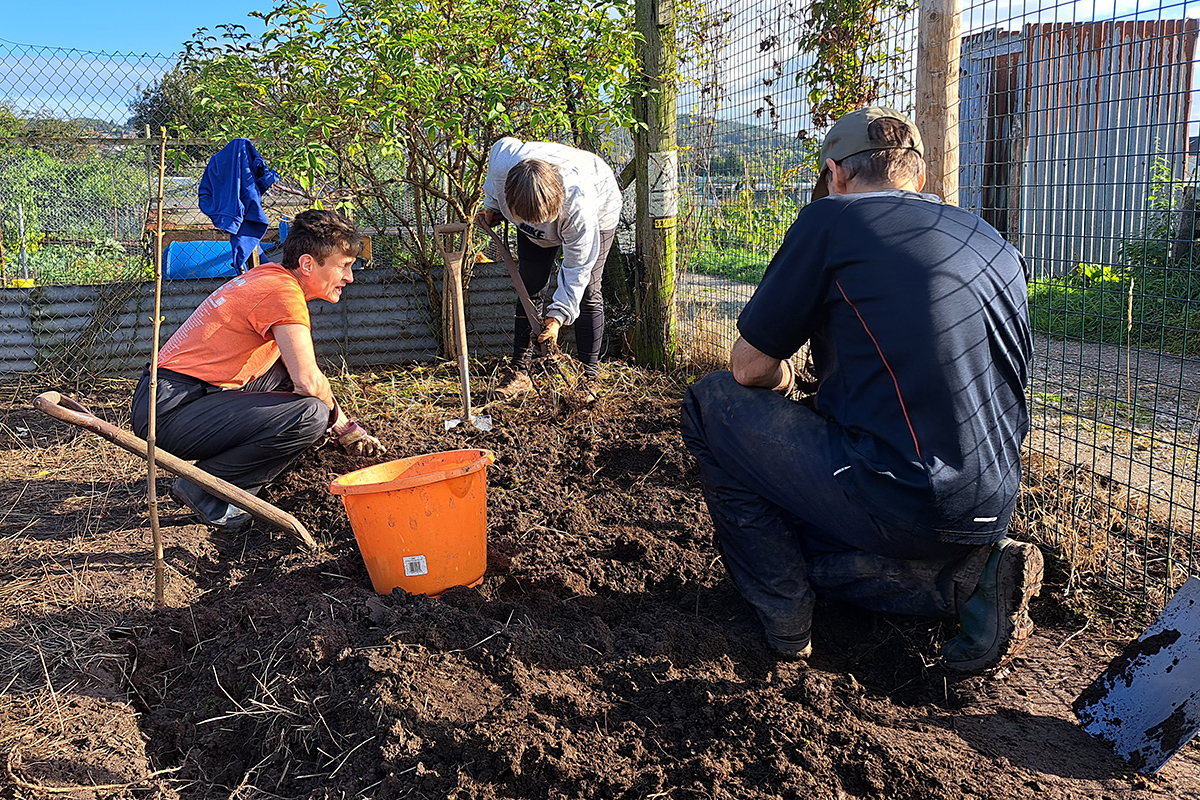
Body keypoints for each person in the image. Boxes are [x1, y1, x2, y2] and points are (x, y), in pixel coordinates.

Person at [679, 106, 1041, 673]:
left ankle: (784, 621)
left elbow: (748, 369)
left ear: (836, 175)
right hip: (991, 499)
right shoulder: (993, 241)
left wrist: (787, 377)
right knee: (819, 498)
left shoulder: (832, 220)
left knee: (712, 405)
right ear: (920, 177)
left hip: (899, 498)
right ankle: (969, 578)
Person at [132, 209, 385, 532]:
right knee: (310, 414)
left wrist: (345, 425)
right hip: (169, 410)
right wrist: (339, 425)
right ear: (308, 264)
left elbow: (302, 372)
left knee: (287, 379)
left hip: (174, 398)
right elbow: (310, 383)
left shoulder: (270, 277)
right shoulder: (282, 293)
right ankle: (208, 491)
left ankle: (237, 479)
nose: (350, 277)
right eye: (344, 266)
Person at [479, 137, 622, 400]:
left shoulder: (580, 207)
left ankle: (587, 381)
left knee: (589, 290)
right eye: (527, 219)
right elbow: (501, 147)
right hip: (532, 201)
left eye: (541, 220)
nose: (537, 224)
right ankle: (520, 374)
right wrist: (493, 206)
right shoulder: (503, 166)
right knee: (529, 285)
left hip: (600, 203)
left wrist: (557, 317)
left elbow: (577, 269)